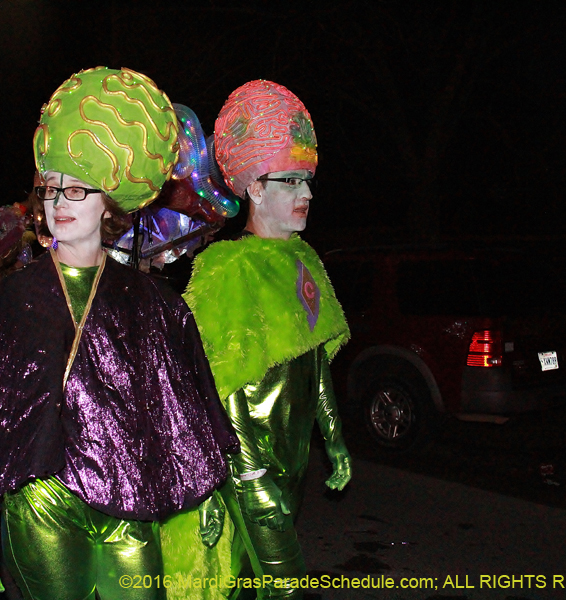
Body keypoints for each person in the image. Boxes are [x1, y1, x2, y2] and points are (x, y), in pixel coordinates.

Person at [0, 66, 238, 600]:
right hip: (42, 508)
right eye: (50, 188)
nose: (58, 203)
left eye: (77, 190)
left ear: (110, 201)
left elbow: (178, 402)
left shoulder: (152, 303)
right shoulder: (14, 298)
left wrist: (211, 495)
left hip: (130, 506)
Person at [162, 80, 352, 600]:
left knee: (247, 583)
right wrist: (250, 475)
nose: (306, 194)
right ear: (255, 189)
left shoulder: (304, 261)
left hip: (291, 462)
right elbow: (217, 383)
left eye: (307, 181)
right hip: (250, 466)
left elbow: (312, 363)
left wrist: (333, 440)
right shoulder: (227, 269)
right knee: (284, 587)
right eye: (290, 181)